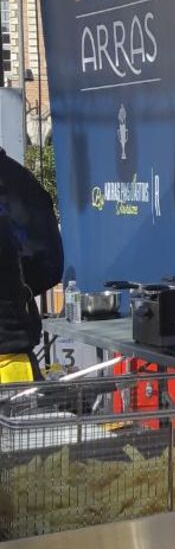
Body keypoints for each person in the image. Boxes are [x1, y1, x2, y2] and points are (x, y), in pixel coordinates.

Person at [0, 145, 63, 383]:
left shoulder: (20, 185)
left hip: (10, 354)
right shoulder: (22, 181)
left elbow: (50, 264)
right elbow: (50, 265)